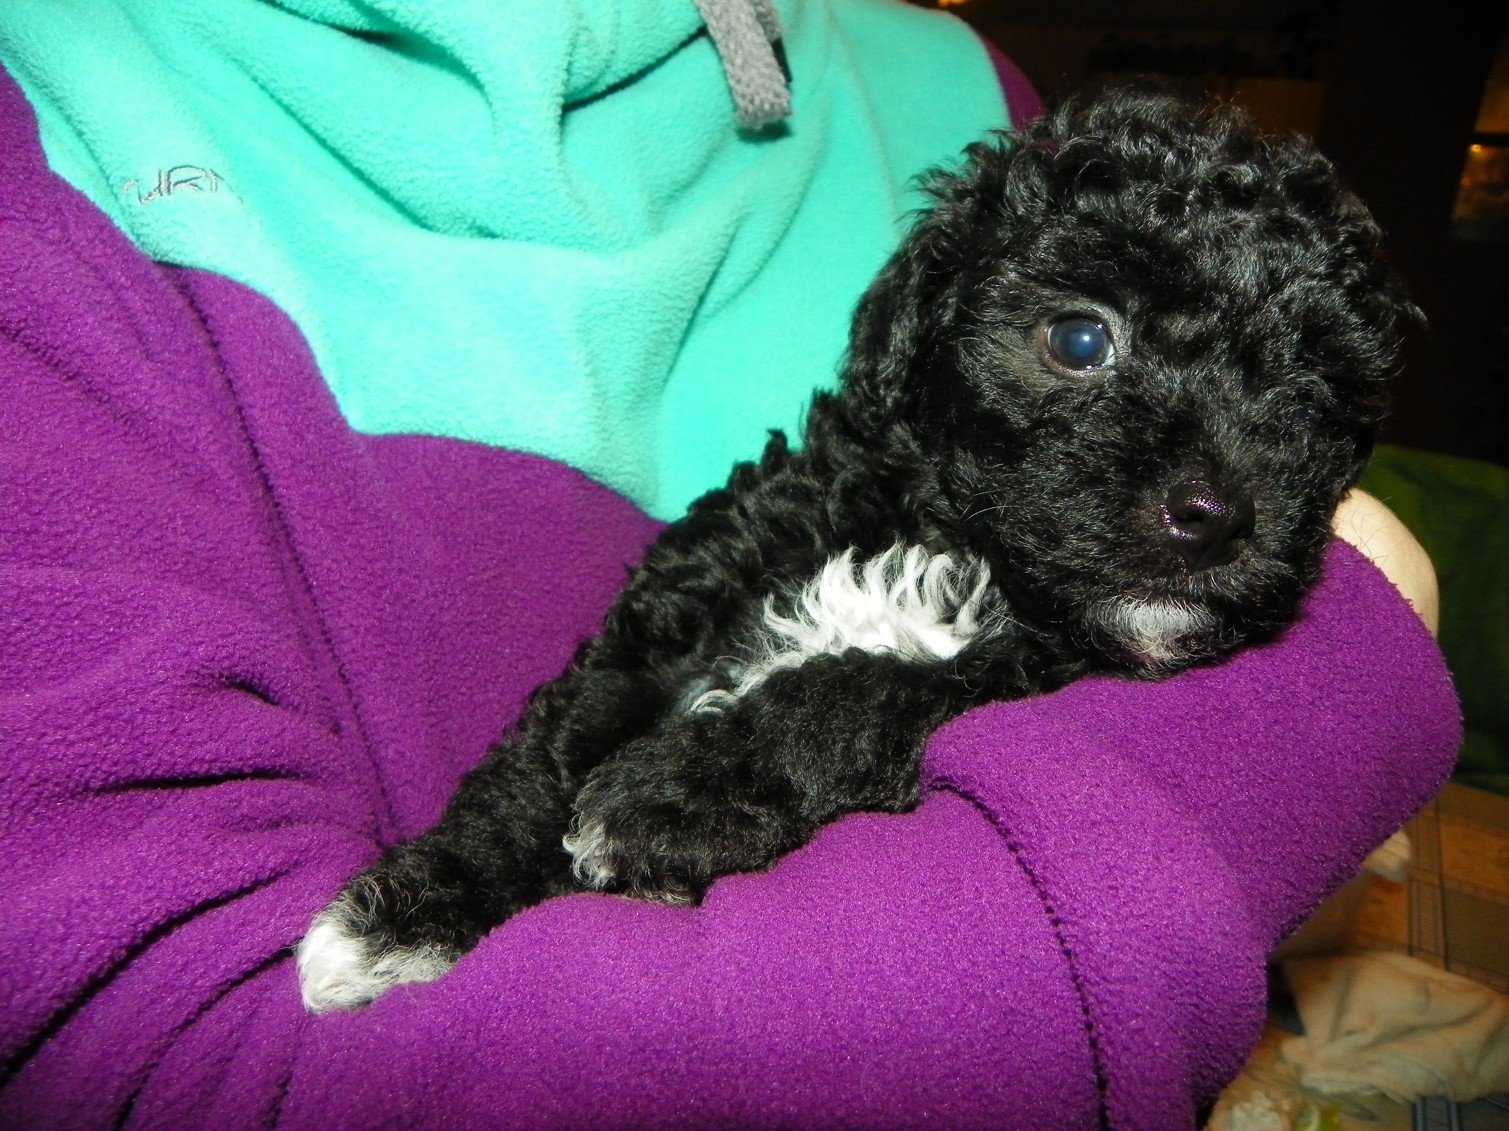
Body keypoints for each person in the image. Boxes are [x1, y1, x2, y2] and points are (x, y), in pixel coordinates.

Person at [0, 3, 1458, 1128]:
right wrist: (478, 861)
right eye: (1081, 342)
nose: (1211, 483)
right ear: (917, 331)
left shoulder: (966, 80)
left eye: (1296, 407)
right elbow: (207, 1071)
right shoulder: (58, 137)